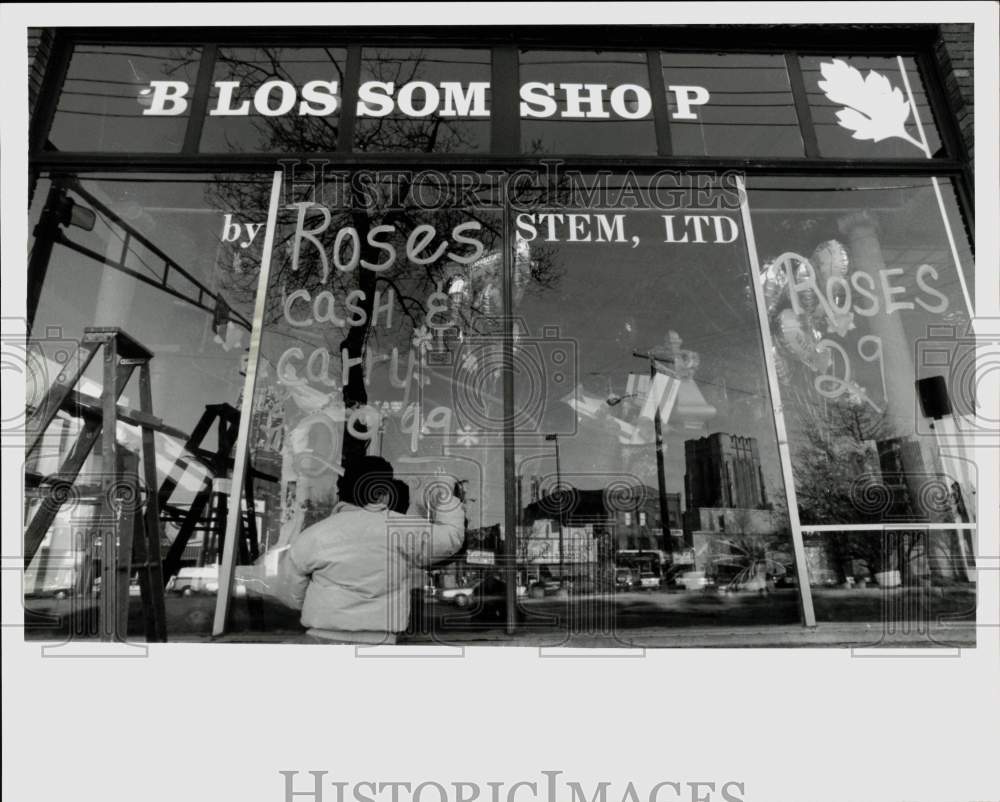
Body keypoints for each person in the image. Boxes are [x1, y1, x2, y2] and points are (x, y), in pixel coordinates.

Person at [280, 456, 464, 644]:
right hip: (379, 642)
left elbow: (292, 594)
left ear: (339, 493)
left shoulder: (313, 536)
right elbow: (451, 536)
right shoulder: (402, 529)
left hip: (320, 638)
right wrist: (443, 494)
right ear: (383, 494)